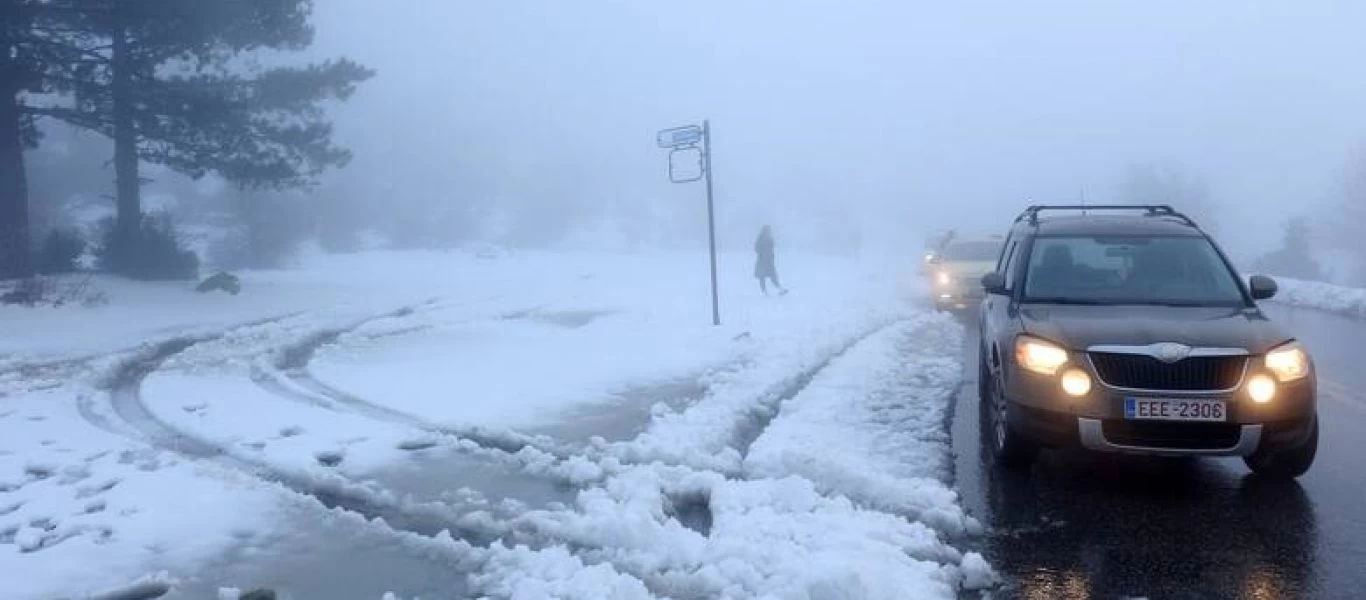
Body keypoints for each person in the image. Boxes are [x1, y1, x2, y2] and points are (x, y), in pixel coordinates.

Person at [754, 225, 787, 295]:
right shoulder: (760, 238)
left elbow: (772, 247)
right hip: (762, 260)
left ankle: (780, 288)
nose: (769, 231)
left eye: (769, 230)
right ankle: (764, 291)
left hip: (769, 260)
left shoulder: (770, 238)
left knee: (773, 275)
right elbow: (756, 248)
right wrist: (762, 252)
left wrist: (771, 256)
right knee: (762, 276)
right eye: (768, 230)